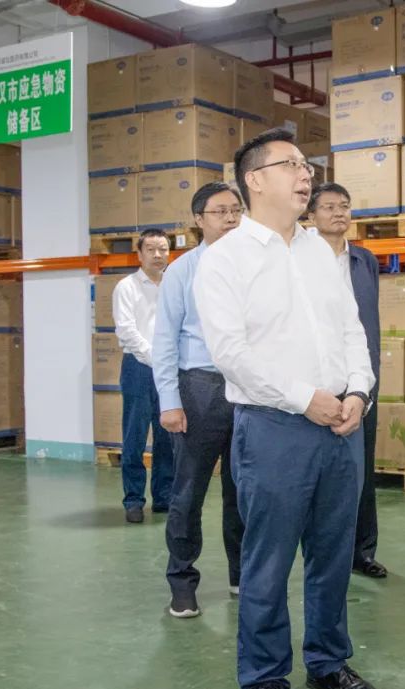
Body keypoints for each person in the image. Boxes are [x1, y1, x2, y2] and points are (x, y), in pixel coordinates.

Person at [194, 128, 379, 689]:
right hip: (274, 428)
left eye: (307, 165)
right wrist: (307, 399)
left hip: (340, 425)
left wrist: (359, 391)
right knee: (268, 561)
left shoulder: (321, 251)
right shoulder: (225, 258)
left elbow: (351, 329)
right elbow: (231, 354)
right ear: (255, 179)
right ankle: (265, 678)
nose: (306, 175)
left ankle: (328, 662)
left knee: (333, 554)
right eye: (292, 165)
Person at [153, 182, 247, 619]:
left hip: (248, 388)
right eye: (219, 211)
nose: (230, 219)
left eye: (236, 211)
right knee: (189, 491)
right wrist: (170, 401)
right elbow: (164, 340)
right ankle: (182, 582)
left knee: (243, 490)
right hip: (200, 388)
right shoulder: (183, 271)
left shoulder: (255, 267)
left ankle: (241, 574)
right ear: (198, 219)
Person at [307, 182, 387, 579]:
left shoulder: (364, 261)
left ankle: (362, 552)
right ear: (310, 216)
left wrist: (366, 382)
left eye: (344, 206)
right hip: (317, 384)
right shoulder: (300, 259)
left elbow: (368, 323)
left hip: (361, 381)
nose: (338, 213)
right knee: (318, 474)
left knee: (361, 470)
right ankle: (322, 554)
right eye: (328, 207)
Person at [113, 229, 174, 524]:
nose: (158, 255)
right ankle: (134, 500)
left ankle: (164, 497)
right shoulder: (126, 287)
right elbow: (127, 331)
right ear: (139, 254)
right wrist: (156, 358)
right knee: (134, 436)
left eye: (163, 249)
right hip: (138, 367)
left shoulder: (174, 285)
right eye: (151, 249)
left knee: (167, 436)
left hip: (169, 369)